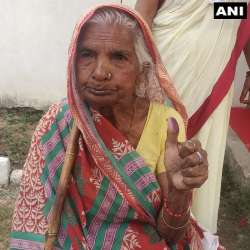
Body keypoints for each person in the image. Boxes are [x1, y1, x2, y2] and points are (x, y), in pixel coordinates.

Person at [10, 4, 223, 250]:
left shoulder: (166, 124)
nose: (100, 72)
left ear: (142, 72)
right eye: (87, 55)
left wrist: (177, 194)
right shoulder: (60, 124)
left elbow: (171, 236)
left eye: (118, 57)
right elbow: (41, 220)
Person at [120, 0, 250, 233]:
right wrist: (144, 70)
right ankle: (135, 230)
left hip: (212, 80)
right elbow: (143, 15)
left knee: (196, 161)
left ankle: (191, 232)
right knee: (152, 150)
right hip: (166, 69)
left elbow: (239, 14)